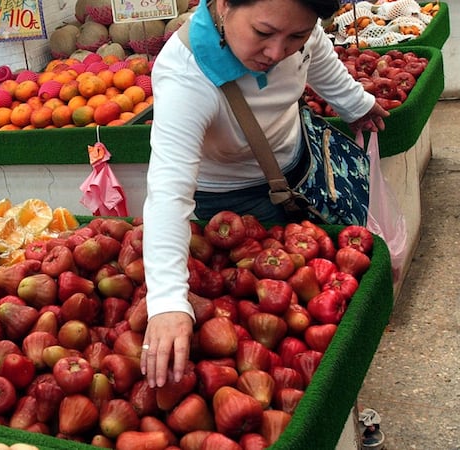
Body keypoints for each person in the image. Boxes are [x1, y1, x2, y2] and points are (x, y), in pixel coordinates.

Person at [139, 0, 390, 389]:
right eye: (263, 33)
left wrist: (355, 104)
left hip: (302, 173)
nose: (276, 53)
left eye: (295, 36)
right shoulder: (185, 77)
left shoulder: (295, 29)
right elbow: (168, 192)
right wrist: (168, 302)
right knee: (269, 339)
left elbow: (317, 54)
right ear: (224, 5)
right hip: (232, 210)